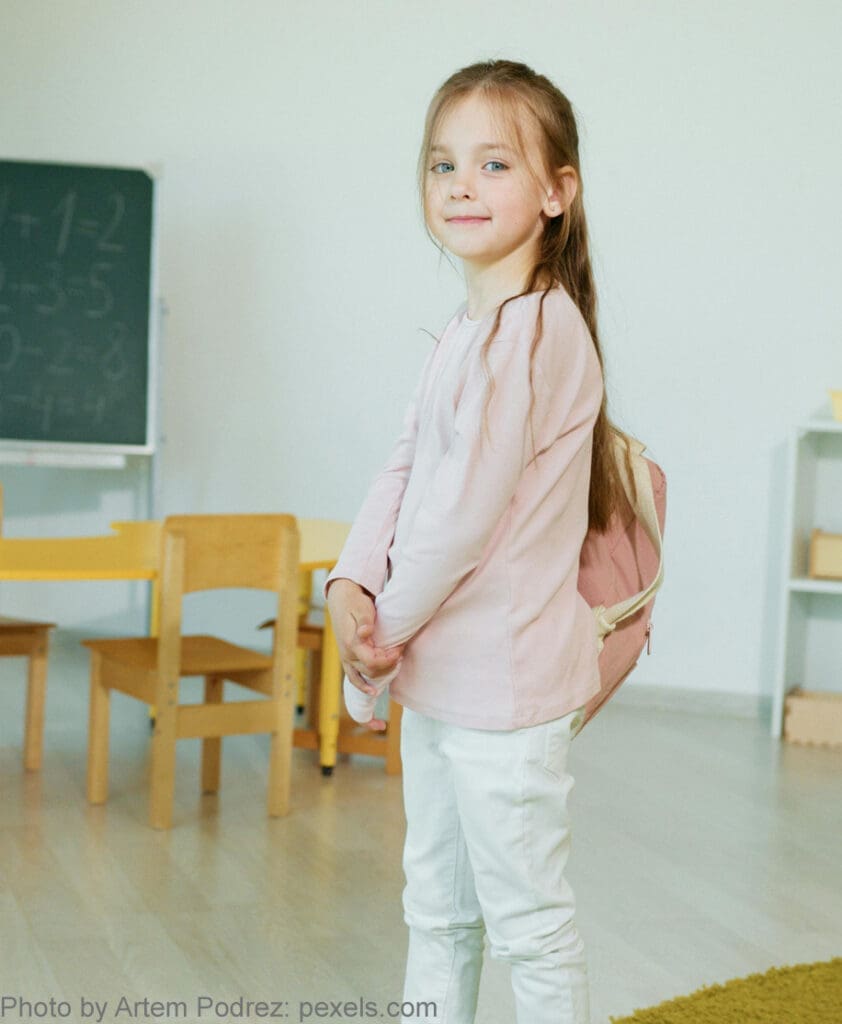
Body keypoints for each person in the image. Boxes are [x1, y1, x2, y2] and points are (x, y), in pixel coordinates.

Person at [325, 59, 629, 1024]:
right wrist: (348, 581)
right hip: (443, 685)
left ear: (556, 193)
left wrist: (379, 638)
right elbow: (406, 467)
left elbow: (458, 520)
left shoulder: (538, 333)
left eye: (494, 164)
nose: (460, 183)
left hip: (503, 695)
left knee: (528, 924)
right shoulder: (468, 329)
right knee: (438, 913)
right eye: (442, 163)